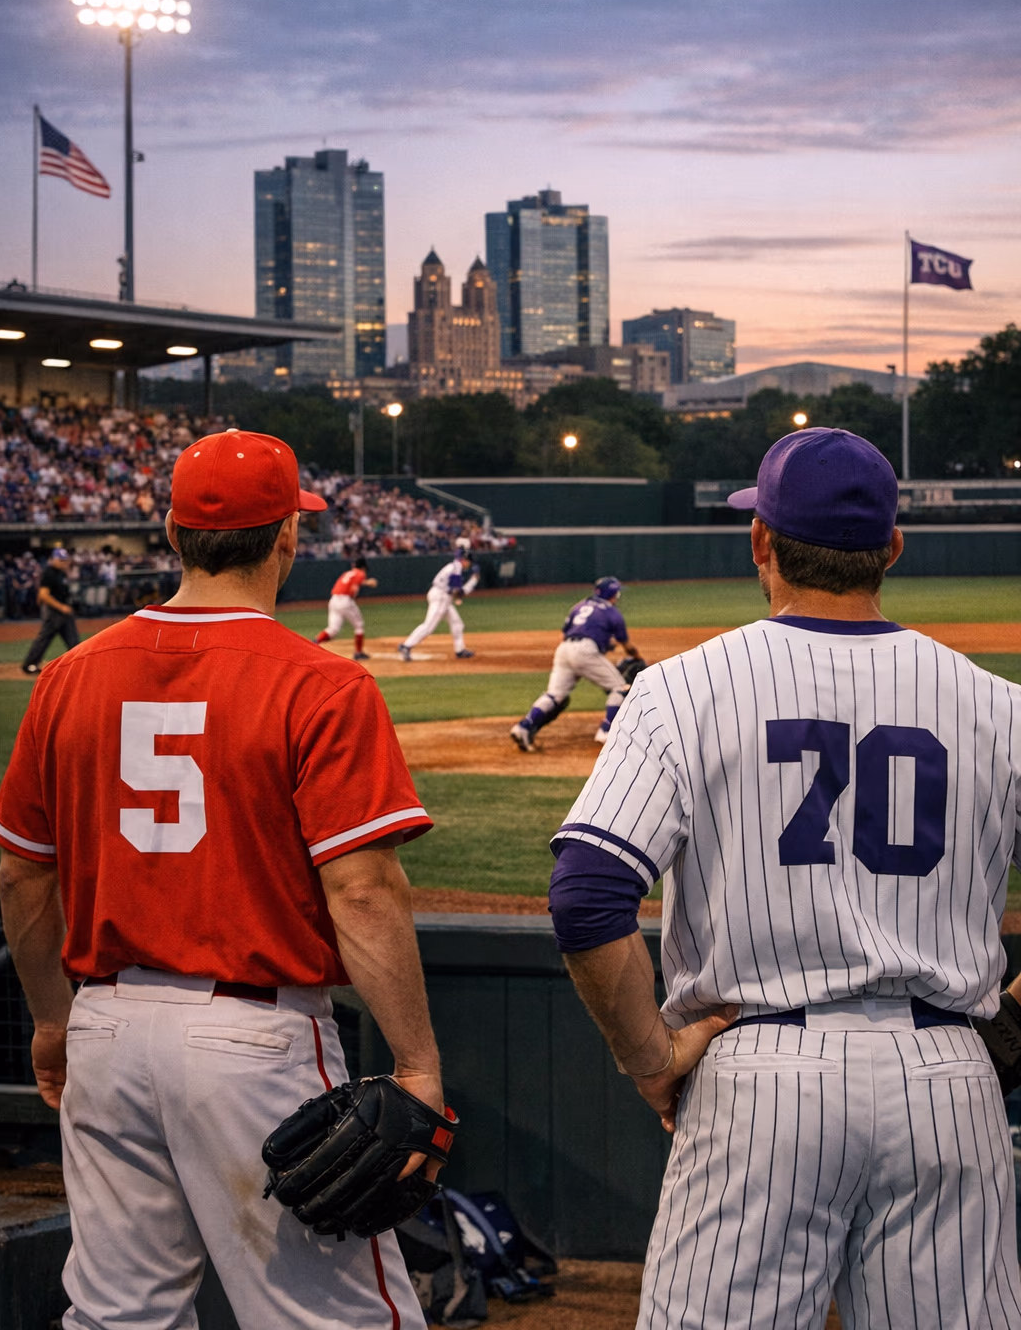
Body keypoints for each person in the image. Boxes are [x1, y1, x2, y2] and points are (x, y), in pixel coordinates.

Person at [547, 427, 1021, 1330]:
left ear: (760, 541)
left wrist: (652, 1062)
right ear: (892, 548)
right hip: (948, 1082)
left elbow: (587, 894)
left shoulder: (683, 689)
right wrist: (1010, 1031)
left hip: (761, 1076)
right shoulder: (998, 704)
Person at [0, 428, 444, 1329]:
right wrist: (418, 1064)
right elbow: (361, 892)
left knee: (119, 1314)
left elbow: (20, 877)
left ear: (170, 531)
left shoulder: (68, 678)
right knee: (338, 1318)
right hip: (254, 1041)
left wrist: (52, 1020)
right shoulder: (321, 685)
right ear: (287, 537)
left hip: (104, 1030)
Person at [510, 576, 639, 750]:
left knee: (555, 695)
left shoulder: (579, 606)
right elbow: (627, 645)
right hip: (585, 651)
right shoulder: (612, 612)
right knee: (620, 689)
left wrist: (600, 644)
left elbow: (567, 634)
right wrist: (637, 656)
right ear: (613, 595)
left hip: (563, 650)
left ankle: (523, 727)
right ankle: (606, 732)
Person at [398, 538, 478, 662]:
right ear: (464, 560)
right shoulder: (456, 568)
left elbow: (455, 591)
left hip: (441, 595)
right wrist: (473, 581)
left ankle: (460, 650)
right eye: (468, 561)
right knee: (428, 626)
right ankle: (406, 646)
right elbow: (457, 593)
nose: (469, 564)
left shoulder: (454, 566)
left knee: (457, 623)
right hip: (441, 597)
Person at [21, 546, 78, 675]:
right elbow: (43, 595)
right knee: (45, 638)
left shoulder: (61, 573)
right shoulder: (49, 573)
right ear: (54, 559)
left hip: (63, 611)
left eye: (65, 560)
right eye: (61, 560)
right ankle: (30, 664)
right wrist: (61, 607)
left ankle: (78, 663)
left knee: (73, 640)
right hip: (54, 612)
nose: (64, 563)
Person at [316, 555, 377, 659]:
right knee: (359, 625)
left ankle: (313, 643)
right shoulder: (360, 573)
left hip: (333, 600)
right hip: (345, 601)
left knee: (333, 629)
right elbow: (354, 585)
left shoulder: (347, 573)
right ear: (363, 567)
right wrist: (368, 582)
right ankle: (358, 652)